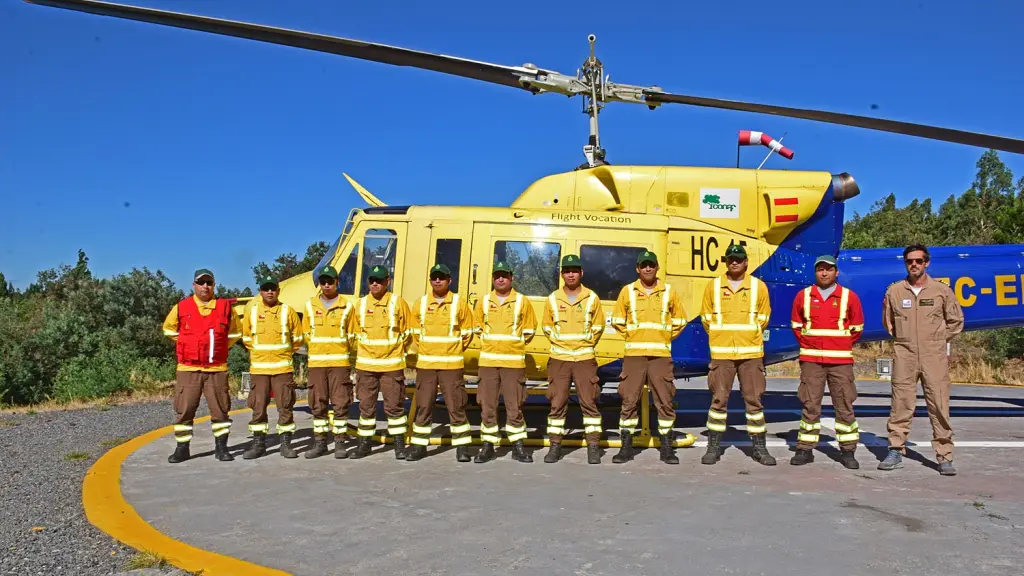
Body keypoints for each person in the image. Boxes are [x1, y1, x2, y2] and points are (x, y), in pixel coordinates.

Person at [879, 243, 964, 475]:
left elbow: (956, 321)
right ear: (905, 263)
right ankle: (896, 449)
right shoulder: (895, 291)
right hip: (904, 353)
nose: (914, 265)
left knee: (938, 404)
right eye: (909, 261)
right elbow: (888, 324)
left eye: (918, 261)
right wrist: (905, 341)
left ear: (926, 263)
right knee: (900, 404)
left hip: (933, 355)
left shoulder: (941, 291)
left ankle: (944, 455)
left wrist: (936, 340)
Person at [609, 250, 688, 465]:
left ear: (656, 268)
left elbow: (680, 320)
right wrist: (634, 336)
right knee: (629, 401)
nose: (647, 268)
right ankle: (626, 448)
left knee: (665, 401)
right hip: (634, 356)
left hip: (660, 356)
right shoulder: (628, 291)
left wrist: (663, 337)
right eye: (644, 265)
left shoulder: (669, 292)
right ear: (637, 269)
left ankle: (667, 448)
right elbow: (617, 320)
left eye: (651, 265)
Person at [699, 244, 774, 466]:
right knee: (719, 400)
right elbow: (706, 318)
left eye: (739, 259)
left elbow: (764, 317)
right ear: (726, 262)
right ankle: (713, 447)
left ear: (746, 262)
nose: (734, 262)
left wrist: (746, 336)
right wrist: (723, 336)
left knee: (754, 402)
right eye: (731, 259)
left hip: (750, 354)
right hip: (722, 354)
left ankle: (759, 448)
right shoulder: (712, 287)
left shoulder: (758, 287)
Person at [789, 255, 865, 469]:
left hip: (840, 362)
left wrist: (837, 345)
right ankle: (805, 448)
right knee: (810, 404)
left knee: (844, 404)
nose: (824, 273)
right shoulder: (803, 296)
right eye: (820, 269)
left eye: (829, 269)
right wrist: (811, 345)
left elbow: (857, 328)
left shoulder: (849, 297)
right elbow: (797, 326)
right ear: (815, 272)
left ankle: (848, 451)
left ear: (836, 272)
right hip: (811, 361)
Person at [161, 268, 242, 463]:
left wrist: (220, 348)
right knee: (185, 409)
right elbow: (168, 329)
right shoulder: (181, 307)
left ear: (214, 285)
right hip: (188, 369)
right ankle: (182, 449)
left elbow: (235, 333)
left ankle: (221, 448)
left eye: (209, 283)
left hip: (216, 369)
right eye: (201, 282)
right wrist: (187, 344)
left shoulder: (224, 307)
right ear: (194, 285)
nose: (205, 286)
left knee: (220, 410)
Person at [406, 263, 475, 462]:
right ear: (430, 280)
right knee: (424, 406)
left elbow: (467, 334)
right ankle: (419, 446)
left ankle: (462, 447)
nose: (438, 281)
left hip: (451, 366)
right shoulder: (420, 303)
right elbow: (415, 333)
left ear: (449, 281)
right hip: (426, 366)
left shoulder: (459, 303)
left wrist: (450, 351)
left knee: (456, 407)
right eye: (434, 277)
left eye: (442, 278)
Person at [540, 255, 606, 464]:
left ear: (581, 273)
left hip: (584, 359)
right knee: (557, 404)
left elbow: (598, 327)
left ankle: (593, 446)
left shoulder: (591, 298)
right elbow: (547, 326)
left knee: (589, 403)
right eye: (567, 271)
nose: (571, 274)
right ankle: (555, 446)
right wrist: (561, 343)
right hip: (559, 359)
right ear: (562, 275)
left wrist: (585, 343)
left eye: (574, 270)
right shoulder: (552, 298)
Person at [472, 261, 538, 463]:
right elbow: (476, 327)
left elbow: (529, 330)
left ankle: (518, 447)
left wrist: (511, 346)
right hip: (489, 362)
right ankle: (488, 445)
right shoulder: (483, 301)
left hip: (513, 364)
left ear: (512, 278)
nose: (501, 279)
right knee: (487, 406)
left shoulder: (522, 301)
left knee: (514, 406)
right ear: (493, 279)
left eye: (505, 276)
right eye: (497, 276)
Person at [349, 265, 414, 459]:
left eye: (379, 280)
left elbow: (408, 332)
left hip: (391, 366)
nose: (375, 283)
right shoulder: (360, 305)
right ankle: (364, 444)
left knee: (394, 407)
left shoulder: (398, 303)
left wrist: (393, 351)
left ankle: (399, 445)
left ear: (388, 282)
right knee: (366, 407)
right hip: (366, 366)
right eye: (372, 280)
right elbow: (353, 334)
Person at [240, 274, 304, 459]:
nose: (269, 292)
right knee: (258, 407)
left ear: (278, 291)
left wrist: (282, 354)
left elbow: (298, 340)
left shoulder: (288, 311)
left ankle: (285, 444)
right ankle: (258, 443)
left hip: (282, 369)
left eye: (273, 288)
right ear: (260, 291)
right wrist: (262, 355)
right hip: (259, 370)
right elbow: (246, 339)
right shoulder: (251, 312)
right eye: (266, 288)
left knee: (285, 406)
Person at [301, 264, 356, 459]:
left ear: (337, 283)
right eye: (322, 282)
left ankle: (340, 443)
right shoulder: (309, 306)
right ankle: (320, 443)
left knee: (340, 404)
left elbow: (353, 335)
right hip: (317, 364)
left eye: (329, 282)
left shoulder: (347, 306)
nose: (326, 285)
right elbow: (306, 334)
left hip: (339, 364)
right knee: (318, 404)